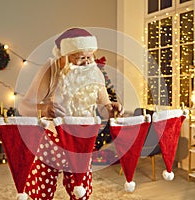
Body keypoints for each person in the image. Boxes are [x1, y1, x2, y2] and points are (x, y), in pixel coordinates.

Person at [17, 28, 123, 200]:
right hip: (52, 137)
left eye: (90, 56)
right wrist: (45, 109)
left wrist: (112, 108)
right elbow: (24, 107)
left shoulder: (94, 71)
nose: (88, 62)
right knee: (42, 186)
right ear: (64, 57)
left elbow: (104, 105)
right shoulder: (51, 70)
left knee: (81, 189)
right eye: (81, 57)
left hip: (82, 138)